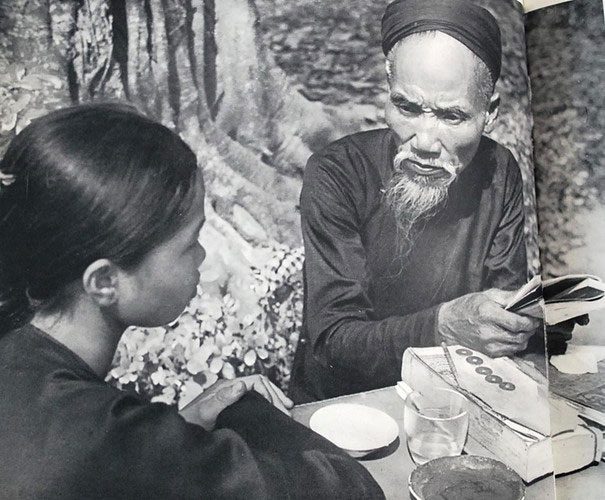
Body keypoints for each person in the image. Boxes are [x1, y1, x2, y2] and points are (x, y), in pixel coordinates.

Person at [0, 103, 383, 498]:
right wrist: (246, 411)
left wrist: (184, 424)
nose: (203, 256)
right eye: (189, 244)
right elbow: (350, 491)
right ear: (104, 281)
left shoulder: (21, 359)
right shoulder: (103, 441)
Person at [290, 0, 549, 403]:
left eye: (452, 116)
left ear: (489, 113)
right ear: (387, 96)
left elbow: (504, 312)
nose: (425, 142)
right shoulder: (337, 174)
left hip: (455, 399)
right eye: (407, 108)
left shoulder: (499, 171)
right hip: (344, 408)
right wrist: (443, 327)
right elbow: (331, 343)